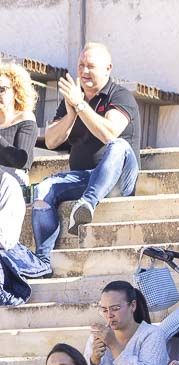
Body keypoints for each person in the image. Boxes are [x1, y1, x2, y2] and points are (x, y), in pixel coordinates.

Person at [33, 44, 140, 267]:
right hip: (83, 177)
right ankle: (42, 260)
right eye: (81, 65)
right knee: (43, 189)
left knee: (118, 145)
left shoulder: (120, 96)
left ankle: (86, 205)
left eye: (91, 66)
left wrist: (80, 105)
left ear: (108, 69)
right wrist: (71, 112)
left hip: (119, 179)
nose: (84, 71)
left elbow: (109, 133)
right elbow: (52, 140)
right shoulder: (73, 99)